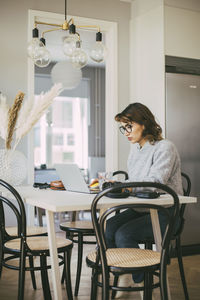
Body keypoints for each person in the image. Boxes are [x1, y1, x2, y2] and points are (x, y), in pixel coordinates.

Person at [105, 102, 183, 284]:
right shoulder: (135, 149)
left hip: (166, 212)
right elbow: (136, 181)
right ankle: (122, 273)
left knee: (124, 234)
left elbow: (156, 183)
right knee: (109, 226)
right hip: (143, 209)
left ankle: (141, 283)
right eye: (123, 128)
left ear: (144, 123)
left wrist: (126, 185)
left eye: (129, 126)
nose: (126, 132)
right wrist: (119, 185)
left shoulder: (165, 147)